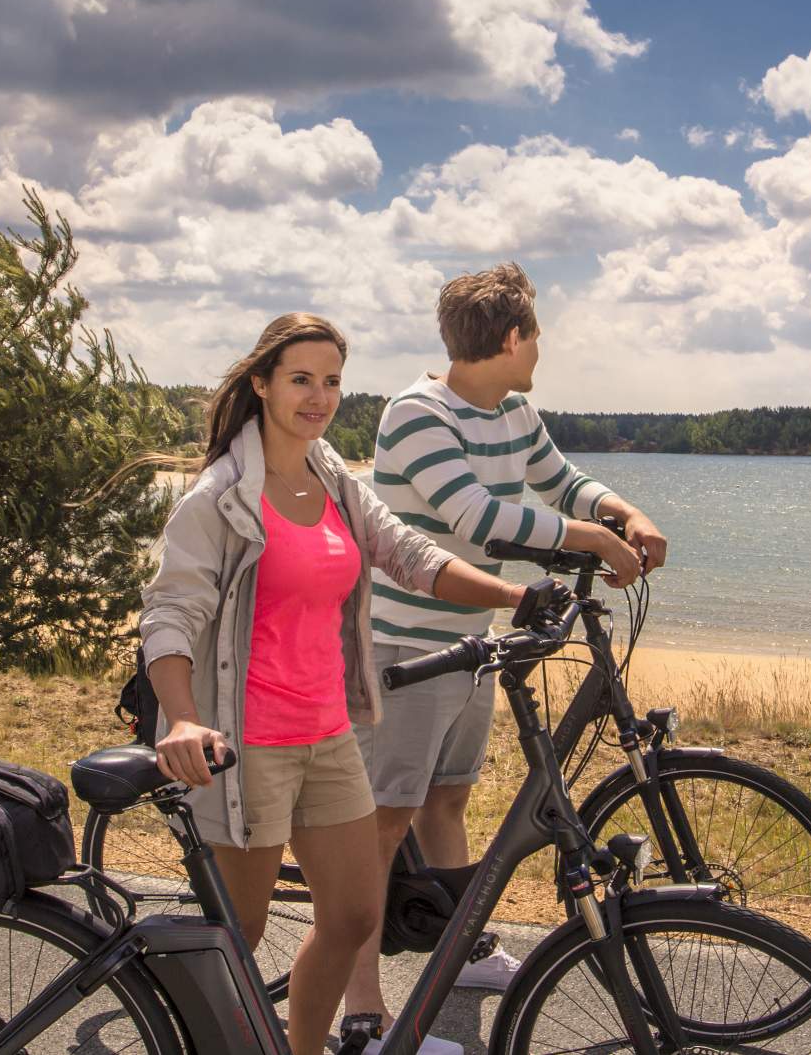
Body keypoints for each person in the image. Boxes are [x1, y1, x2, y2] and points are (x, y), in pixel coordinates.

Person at [138, 313, 524, 1055]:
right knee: (239, 936)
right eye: (301, 379)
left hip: (329, 733)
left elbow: (407, 551)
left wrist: (512, 597)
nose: (319, 397)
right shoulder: (219, 496)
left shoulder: (333, 477)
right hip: (245, 748)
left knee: (349, 917)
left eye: (333, 381)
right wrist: (182, 719)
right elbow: (169, 617)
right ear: (262, 384)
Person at [343, 262, 669, 1035]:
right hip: (403, 647)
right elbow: (476, 514)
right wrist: (590, 538)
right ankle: (362, 1006)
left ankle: (460, 943)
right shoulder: (417, 412)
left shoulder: (514, 410)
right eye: (538, 335)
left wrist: (626, 510)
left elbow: (560, 481)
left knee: (446, 800)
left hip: (470, 642)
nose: (540, 348)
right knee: (383, 821)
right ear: (513, 336)